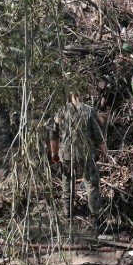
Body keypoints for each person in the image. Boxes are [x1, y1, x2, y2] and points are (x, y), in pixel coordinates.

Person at [49, 94, 106, 226]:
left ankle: (67, 212)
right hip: (85, 153)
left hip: (66, 153)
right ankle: (95, 215)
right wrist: (104, 151)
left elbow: (53, 134)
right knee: (91, 182)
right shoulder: (88, 110)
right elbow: (98, 135)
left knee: (67, 179)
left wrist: (54, 153)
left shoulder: (60, 111)